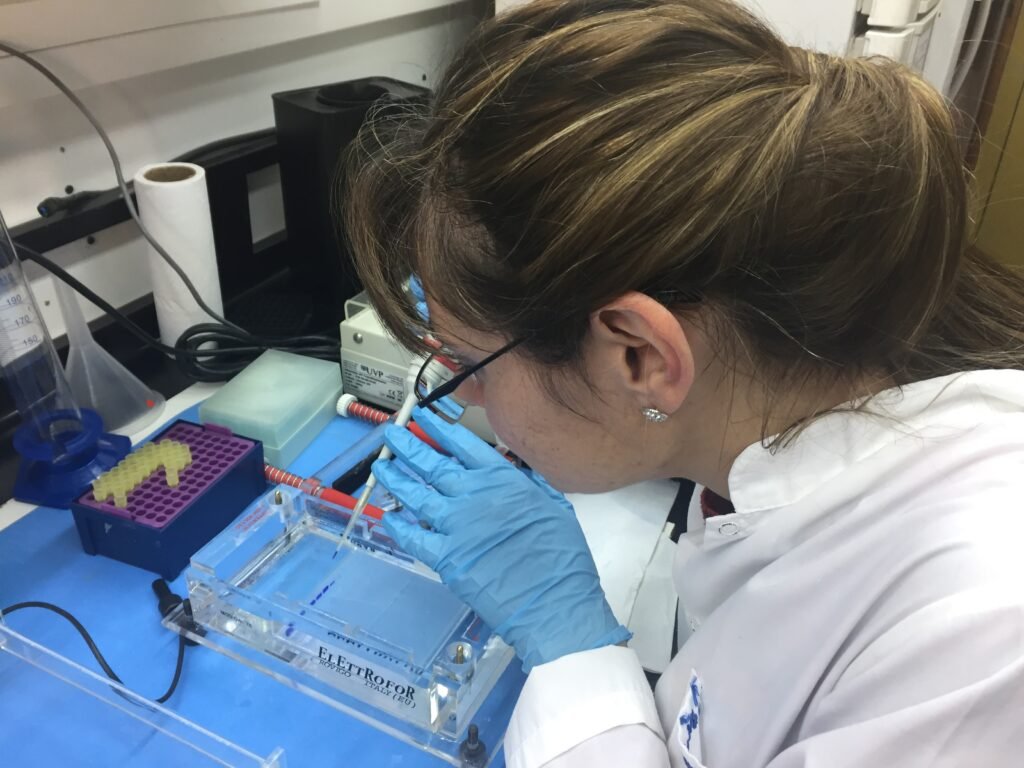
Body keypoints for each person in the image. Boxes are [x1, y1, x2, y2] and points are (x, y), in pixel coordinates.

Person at [341, 1, 1024, 766]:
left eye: (469, 366)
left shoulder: (983, 629)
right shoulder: (812, 401)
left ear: (639, 357)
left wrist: (574, 655)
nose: (465, 398)